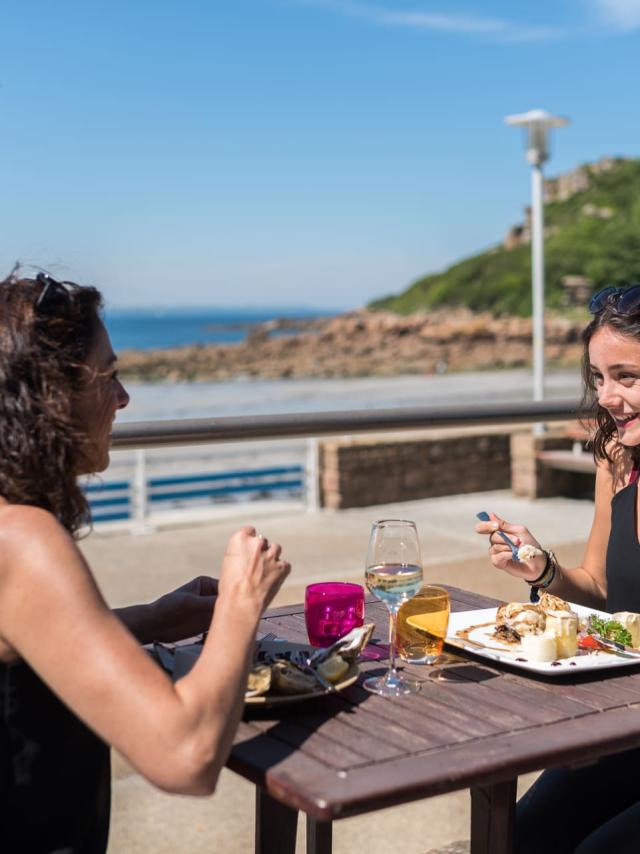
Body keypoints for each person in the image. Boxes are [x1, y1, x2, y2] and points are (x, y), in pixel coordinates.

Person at [0, 270, 291, 852]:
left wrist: (152, 619)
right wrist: (241, 602)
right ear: (51, 398)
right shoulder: (22, 538)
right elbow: (186, 756)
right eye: (108, 376)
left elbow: (27, 651)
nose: (124, 397)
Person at [475, 282, 640, 854]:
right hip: (623, 721)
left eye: (627, 377)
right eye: (598, 378)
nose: (607, 398)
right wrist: (542, 571)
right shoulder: (617, 459)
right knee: (516, 838)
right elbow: (599, 588)